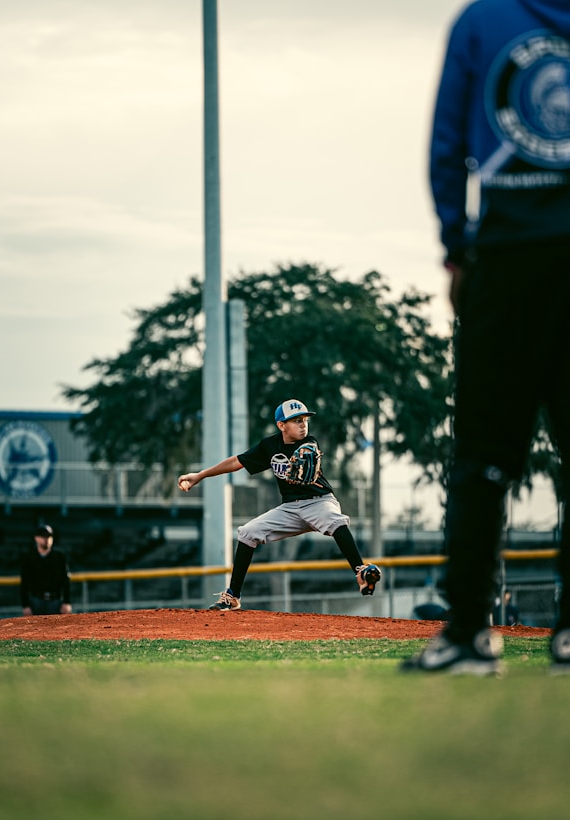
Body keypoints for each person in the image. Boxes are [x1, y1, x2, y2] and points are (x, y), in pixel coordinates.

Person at [402, 0, 570, 674]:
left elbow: (446, 144)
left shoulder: (480, 21)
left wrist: (453, 246)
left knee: (481, 456)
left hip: (506, 256)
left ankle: (468, 633)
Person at [177, 399, 381, 610]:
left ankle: (361, 572)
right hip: (290, 509)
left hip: (319, 502)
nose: (303, 424)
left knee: (334, 520)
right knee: (248, 532)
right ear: (281, 425)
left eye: (304, 420)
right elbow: (236, 462)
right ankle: (233, 596)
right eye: (296, 421)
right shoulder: (270, 446)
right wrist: (200, 475)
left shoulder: (309, 443)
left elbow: (311, 450)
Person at [20, 524, 72, 616]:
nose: (46, 539)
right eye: (43, 536)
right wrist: (25, 605)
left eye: (49, 536)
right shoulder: (29, 557)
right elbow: (24, 583)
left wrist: (67, 602)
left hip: (55, 601)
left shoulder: (60, 557)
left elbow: (66, 581)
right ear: (36, 538)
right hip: (36, 600)